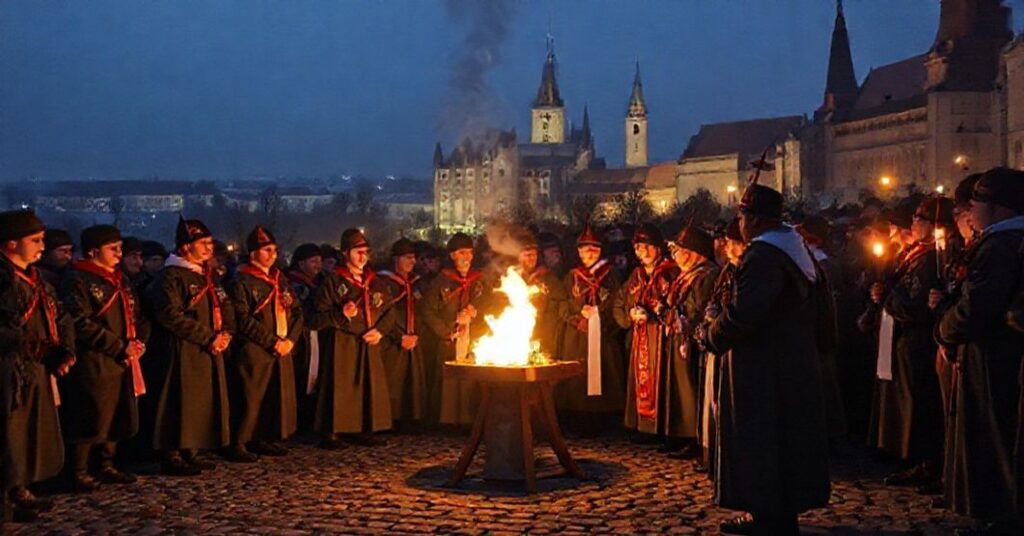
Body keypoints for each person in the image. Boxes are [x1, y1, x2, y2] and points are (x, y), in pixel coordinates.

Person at [704, 184, 831, 536]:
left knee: (763, 440)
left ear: (755, 220)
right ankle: (777, 512)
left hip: (763, 367)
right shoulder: (793, 248)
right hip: (789, 361)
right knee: (782, 440)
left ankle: (768, 514)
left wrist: (711, 334)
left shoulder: (763, 257)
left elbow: (745, 314)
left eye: (742, 216)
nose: (739, 223)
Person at [937, 168, 1024, 534]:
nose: (972, 206)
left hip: (994, 357)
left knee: (995, 436)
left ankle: (1001, 514)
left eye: (980, 200)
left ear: (1001, 209)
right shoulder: (1002, 242)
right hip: (997, 354)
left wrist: (945, 329)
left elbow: (979, 306)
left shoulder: (1000, 246)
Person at [59, 225, 150, 490]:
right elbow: (79, 321)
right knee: (91, 413)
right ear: (93, 251)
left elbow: (137, 314)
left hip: (123, 357)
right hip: (95, 358)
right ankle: (79, 470)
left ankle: (107, 463)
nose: (119, 254)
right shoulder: (77, 280)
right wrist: (117, 345)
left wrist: (138, 342)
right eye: (113, 249)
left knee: (117, 410)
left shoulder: (120, 280)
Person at [869, 198, 951, 489]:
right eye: (914, 217)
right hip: (905, 338)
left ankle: (928, 461)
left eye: (920, 218)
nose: (914, 223)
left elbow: (916, 304)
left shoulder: (930, 258)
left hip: (919, 340)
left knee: (923, 403)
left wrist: (888, 298)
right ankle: (918, 458)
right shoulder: (914, 254)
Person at [0, 210, 75, 522]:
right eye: (35, 240)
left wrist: (64, 350)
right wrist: (22, 343)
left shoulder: (37, 278)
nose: (41, 246)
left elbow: (60, 315)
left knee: (29, 432)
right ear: (11, 244)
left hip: (36, 367)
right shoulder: (4, 279)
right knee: (9, 434)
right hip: (9, 368)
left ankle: (21, 489)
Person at [145, 217, 234, 476]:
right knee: (177, 400)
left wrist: (226, 333)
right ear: (185, 248)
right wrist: (207, 337)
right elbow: (170, 314)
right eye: (202, 243)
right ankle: (171, 453)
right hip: (182, 348)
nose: (208, 249)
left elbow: (224, 305)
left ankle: (191, 449)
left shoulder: (207, 276)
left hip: (209, 347)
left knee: (198, 401)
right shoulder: (170, 276)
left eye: (209, 244)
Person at [224, 225, 302, 461]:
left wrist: (290, 339)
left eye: (274, 250)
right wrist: (271, 341)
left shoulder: (280, 279)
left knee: (272, 395)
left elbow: (296, 310)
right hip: (256, 348)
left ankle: (265, 437)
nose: (273, 254)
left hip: (282, 344)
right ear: (253, 253)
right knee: (251, 395)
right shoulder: (242, 281)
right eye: (267, 250)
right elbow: (242, 318)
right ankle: (239, 441)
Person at [309, 229, 393, 448]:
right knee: (340, 386)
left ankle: (361, 427)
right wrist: (341, 315)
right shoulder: (333, 281)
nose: (363, 257)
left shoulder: (375, 282)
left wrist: (380, 330)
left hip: (368, 340)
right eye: (358, 252)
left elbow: (390, 311)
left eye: (366, 252)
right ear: (345, 253)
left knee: (367, 384)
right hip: (342, 341)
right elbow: (315, 317)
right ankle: (332, 431)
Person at [557, 225, 625, 435]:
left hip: (603, 336)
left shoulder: (611, 275)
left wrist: (599, 317)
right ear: (578, 252)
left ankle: (603, 419)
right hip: (579, 336)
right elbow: (562, 303)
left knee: (605, 374)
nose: (589, 254)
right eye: (585, 250)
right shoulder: (572, 277)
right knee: (578, 378)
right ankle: (578, 418)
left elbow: (617, 302)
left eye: (594, 250)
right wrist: (578, 316)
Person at [614, 223, 678, 439]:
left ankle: (663, 428)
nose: (643, 251)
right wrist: (630, 316)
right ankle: (642, 426)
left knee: (663, 383)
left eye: (648, 246)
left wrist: (656, 313)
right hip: (639, 338)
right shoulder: (636, 275)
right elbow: (619, 302)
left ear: (658, 248)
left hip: (660, 340)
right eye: (639, 247)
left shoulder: (670, 273)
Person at [662, 222, 719, 459]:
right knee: (679, 387)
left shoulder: (706, 275)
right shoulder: (685, 276)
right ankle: (680, 433)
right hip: (678, 336)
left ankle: (695, 437)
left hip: (693, 341)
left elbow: (699, 307)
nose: (677, 257)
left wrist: (681, 316)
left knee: (691, 388)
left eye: (681, 251)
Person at [422, 233, 488, 427]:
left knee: (472, 378)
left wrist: (475, 312)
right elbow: (428, 311)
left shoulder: (480, 281)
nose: (466, 257)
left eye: (469, 252)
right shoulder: (440, 282)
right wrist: (447, 331)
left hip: (473, 337)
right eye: (461, 253)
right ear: (452, 256)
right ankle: (449, 421)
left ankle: (472, 419)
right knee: (450, 381)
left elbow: (489, 304)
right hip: (450, 338)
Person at [796, 215, 848, 444]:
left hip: (821, 332)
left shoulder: (824, 265)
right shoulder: (814, 263)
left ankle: (831, 434)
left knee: (825, 386)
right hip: (815, 332)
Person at [378, 238, 428, 429]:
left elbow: (422, 310)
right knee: (393, 380)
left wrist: (416, 334)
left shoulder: (415, 283)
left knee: (411, 380)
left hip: (413, 337)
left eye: (414, 258)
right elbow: (383, 314)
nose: (412, 262)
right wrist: (399, 336)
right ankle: (389, 420)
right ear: (396, 259)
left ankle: (410, 418)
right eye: (407, 258)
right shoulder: (384, 283)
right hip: (392, 341)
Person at [286, 243, 323, 433]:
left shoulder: (316, 283)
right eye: (313, 261)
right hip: (300, 338)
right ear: (301, 264)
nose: (318, 266)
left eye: (320, 261)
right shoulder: (295, 285)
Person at [514, 230, 567, 359]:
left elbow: (560, 303)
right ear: (518, 256)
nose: (532, 258)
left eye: (534, 255)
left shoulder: (547, 278)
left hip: (543, 333)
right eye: (527, 255)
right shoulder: (510, 279)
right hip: (515, 333)